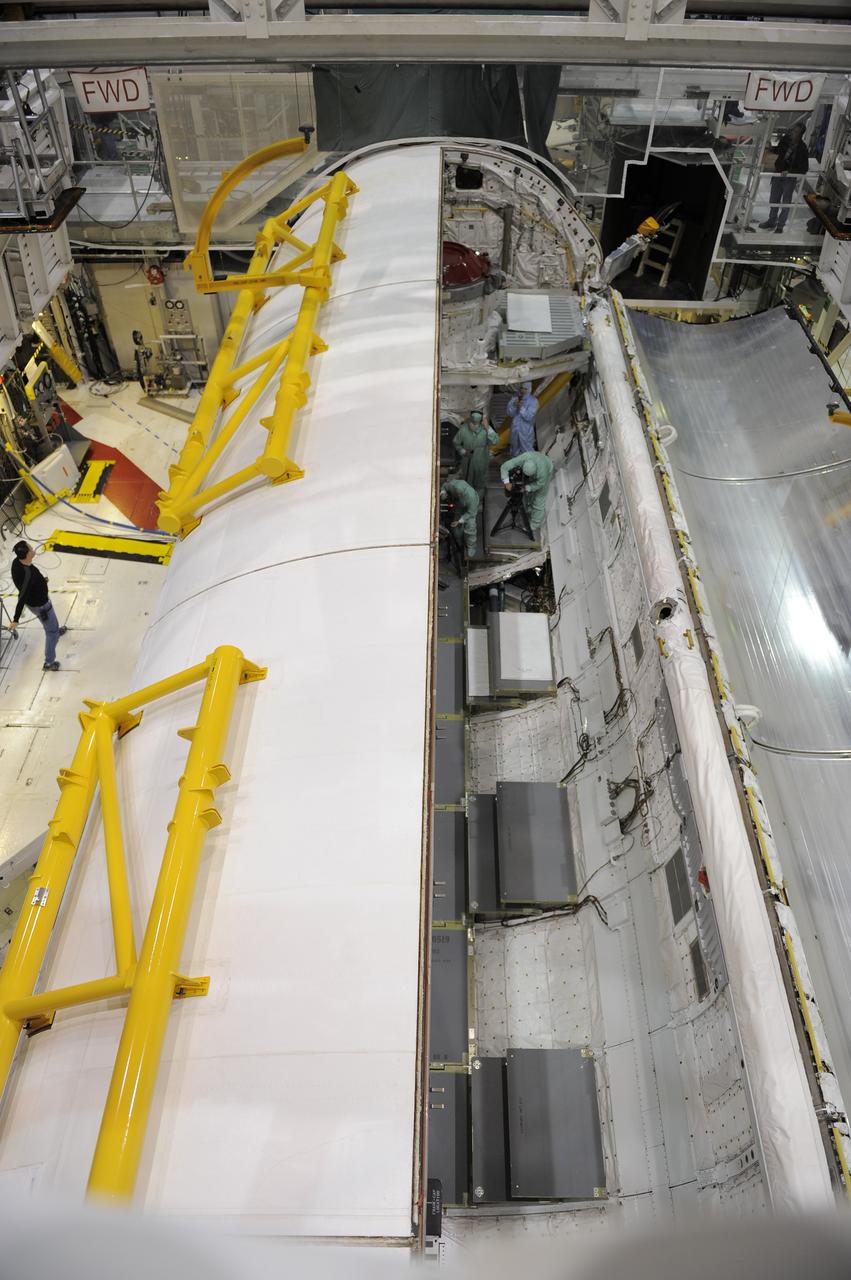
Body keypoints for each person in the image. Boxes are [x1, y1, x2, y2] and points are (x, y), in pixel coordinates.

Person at [8, 541, 67, 671]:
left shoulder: (17, 562)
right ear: (28, 554)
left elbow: (26, 585)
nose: (32, 548)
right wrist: (16, 619)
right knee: (51, 633)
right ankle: (49, 662)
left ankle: (55, 630)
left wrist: (41, 581)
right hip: (41, 606)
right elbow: (22, 596)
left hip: (35, 600)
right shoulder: (28, 575)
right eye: (30, 548)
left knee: (52, 627)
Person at [760, 122, 809, 233]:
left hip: (789, 178)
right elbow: (778, 152)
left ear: (800, 134)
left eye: (795, 132)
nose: (792, 133)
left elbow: (804, 168)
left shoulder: (802, 149)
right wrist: (770, 149)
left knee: (785, 203)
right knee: (773, 199)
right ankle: (772, 220)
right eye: (792, 130)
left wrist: (790, 171)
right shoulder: (785, 141)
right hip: (778, 174)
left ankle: (780, 226)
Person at [499, 450, 554, 531]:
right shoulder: (524, 458)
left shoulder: (543, 472)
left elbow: (539, 484)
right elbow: (504, 466)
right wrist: (506, 482)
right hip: (535, 463)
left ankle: (535, 524)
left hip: (547, 468)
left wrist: (527, 488)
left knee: (539, 498)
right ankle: (528, 509)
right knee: (528, 493)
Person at [452, 409, 498, 499]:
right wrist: (462, 451)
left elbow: (496, 440)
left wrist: (488, 427)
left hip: (481, 461)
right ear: (469, 420)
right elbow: (456, 442)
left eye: (476, 424)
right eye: (472, 423)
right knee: (466, 481)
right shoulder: (464, 429)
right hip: (467, 461)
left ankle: (477, 502)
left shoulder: (485, 431)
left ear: (481, 423)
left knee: (480, 483)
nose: (474, 426)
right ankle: (468, 500)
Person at [440, 477, 480, 559]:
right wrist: (443, 493)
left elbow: (471, 513)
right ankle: (458, 531)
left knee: (470, 526)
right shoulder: (453, 486)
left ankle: (471, 546)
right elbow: (444, 486)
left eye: (460, 494)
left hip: (470, 509)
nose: (458, 494)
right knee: (457, 532)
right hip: (459, 504)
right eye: (457, 493)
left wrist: (460, 521)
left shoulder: (471, 497)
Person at [507, 381, 540, 458]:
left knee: (527, 451)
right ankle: (516, 467)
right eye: (521, 388)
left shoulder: (533, 401)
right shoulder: (515, 398)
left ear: (529, 389)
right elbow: (509, 413)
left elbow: (529, 416)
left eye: (525, 389)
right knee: (514, 450)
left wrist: (521, 407)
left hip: (526, 431)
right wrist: (514, 406)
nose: (523, 391)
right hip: (515, 430)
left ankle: (528, 468)